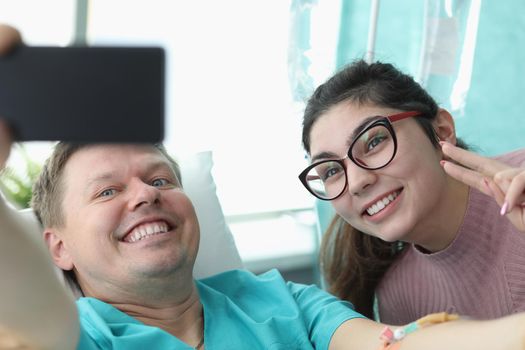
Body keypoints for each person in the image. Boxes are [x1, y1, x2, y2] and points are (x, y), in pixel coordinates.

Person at [2, 25, 525, 350]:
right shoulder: (66, 335)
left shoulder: (284, 305)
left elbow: (396, 346)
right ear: (58, 246)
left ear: (440, 131)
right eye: (107, 192)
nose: (145, 194)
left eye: (160, 178)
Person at [298, 59, 525, 325]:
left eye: (374, 141)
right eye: (332, 172)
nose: (357, 182)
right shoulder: (400, 297)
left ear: (441, 130)